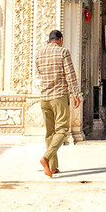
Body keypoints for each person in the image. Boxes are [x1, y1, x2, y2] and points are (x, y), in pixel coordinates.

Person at [35, 30, 81, 177]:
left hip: (44, 97)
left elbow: (38, 74)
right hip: (59, 96)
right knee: (62, 130)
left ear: (49, 40)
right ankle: (46, 158)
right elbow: (70, 74)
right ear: (60, 39)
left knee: (50, 132)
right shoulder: (63, 52)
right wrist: (75, 94)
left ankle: (52, 167)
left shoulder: (39, 53)